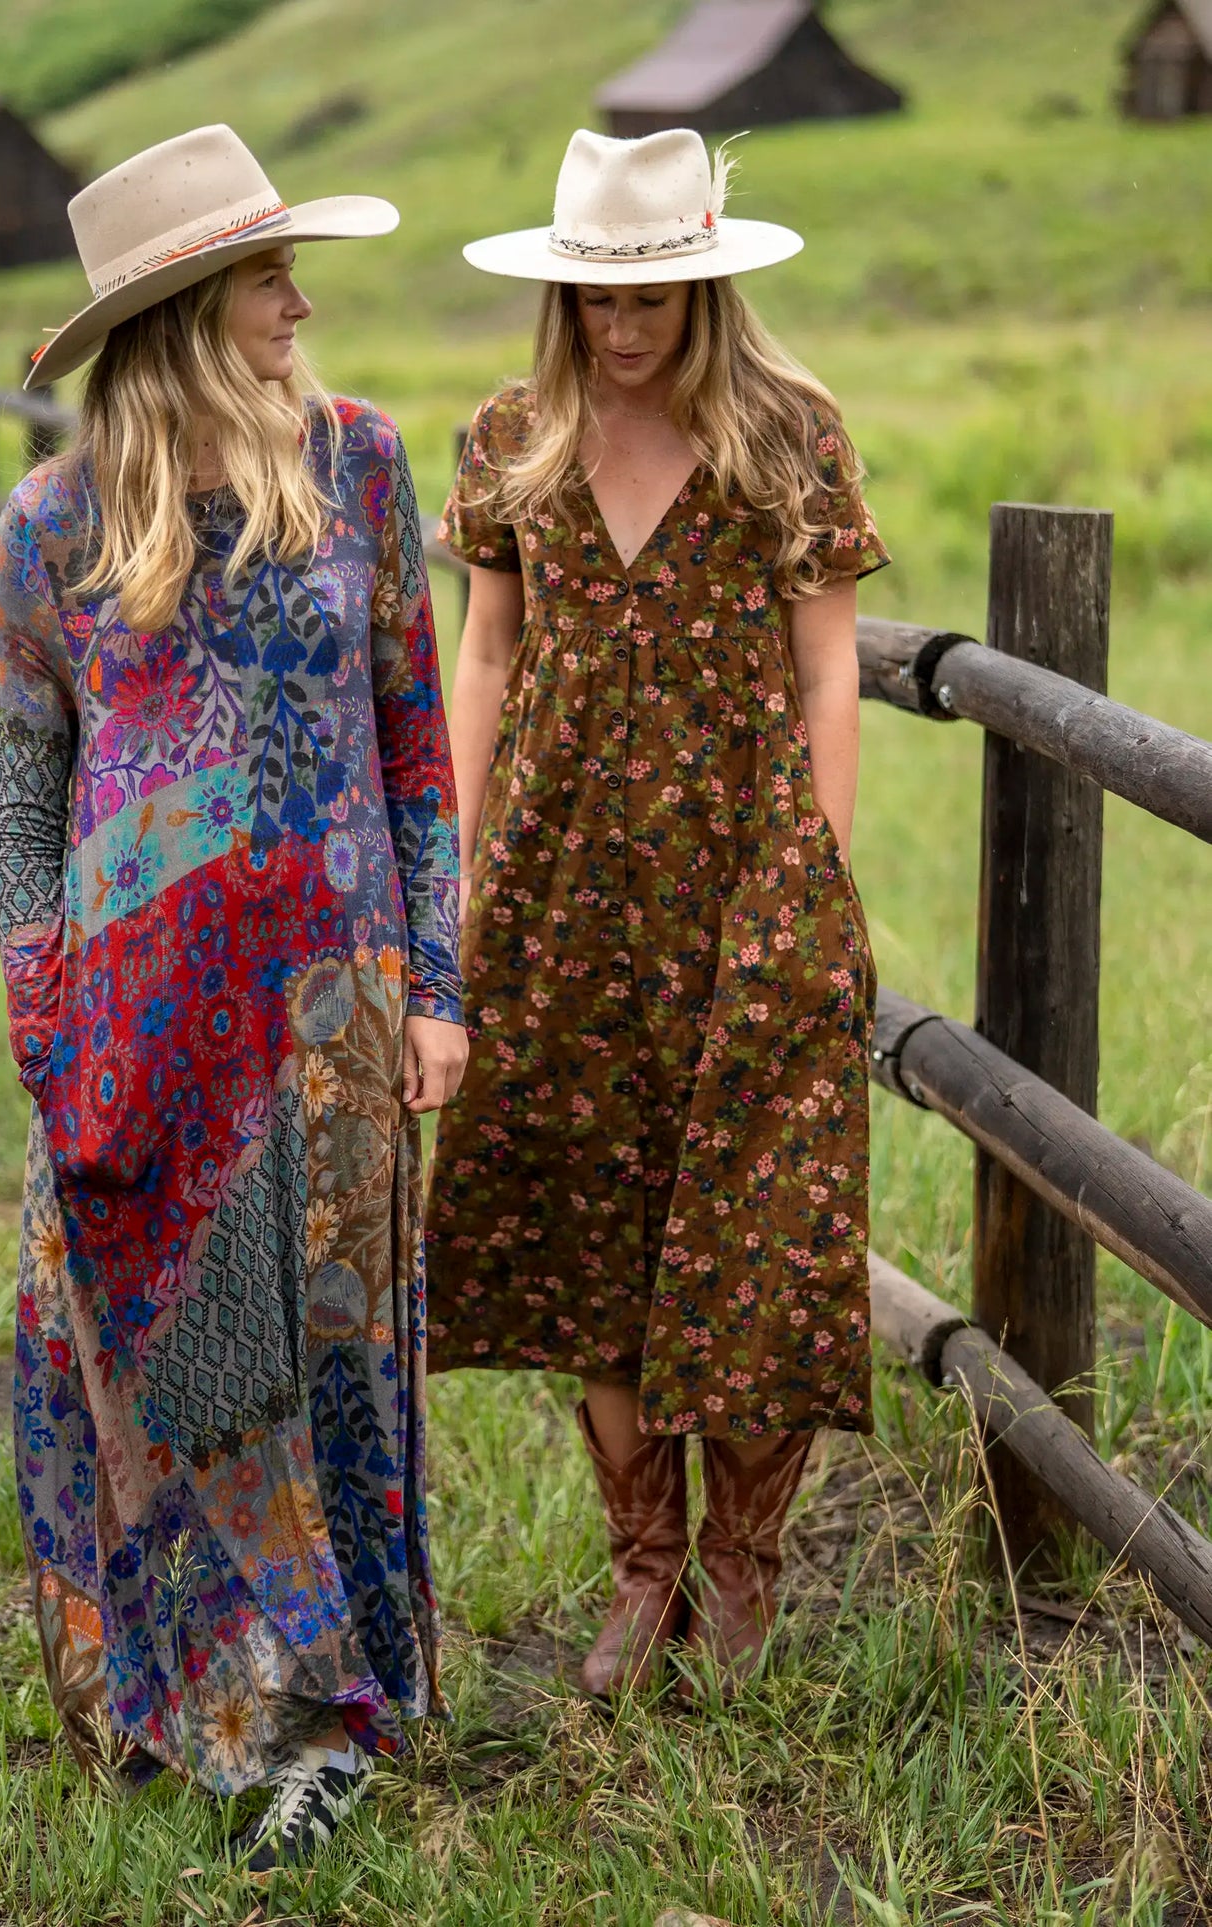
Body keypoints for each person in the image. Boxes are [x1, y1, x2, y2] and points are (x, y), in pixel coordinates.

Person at [0, 125, 466, 1868]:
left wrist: (442, 987)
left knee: (321, 1356)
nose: (302, 301)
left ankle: (322, 1707)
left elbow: (416, 744)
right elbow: (23, 796)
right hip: (130, 1027)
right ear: (191, 305)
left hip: (331, 1009)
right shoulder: (52, 521)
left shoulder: (360, 465)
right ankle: (195, 1693)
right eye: (271, 275)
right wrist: (44, 1017)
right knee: (148, 1361)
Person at [424, 128, 889, 1699]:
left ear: (706, 285)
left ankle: (744, 1569)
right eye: (597, 301)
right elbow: (484, 658)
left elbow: (828, 667)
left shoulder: (788, 433)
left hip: (741, 870)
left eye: (655, 296)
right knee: (582, 1225)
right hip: (555, 884)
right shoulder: (509, 437)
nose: (623, 327)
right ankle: (645, 1567)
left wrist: (812, 876)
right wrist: (459, 867)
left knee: (755, 1225)